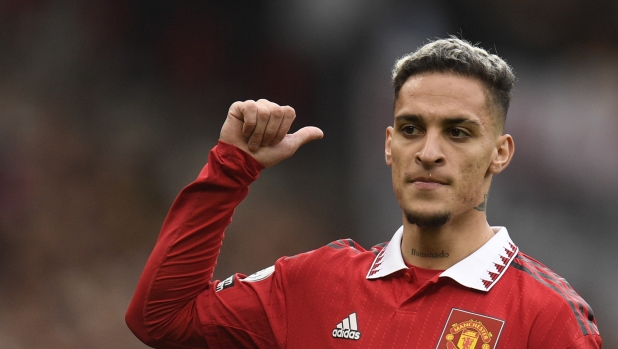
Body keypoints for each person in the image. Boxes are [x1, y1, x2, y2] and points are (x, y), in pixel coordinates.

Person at [126, 38, 602, 348]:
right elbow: (161, 318)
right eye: (412, 129)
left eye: (458, 133)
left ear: (500, 153)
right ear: (390, 146)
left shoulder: (547, 316)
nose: (429, 152)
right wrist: (231, 169)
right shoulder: (316, 282)